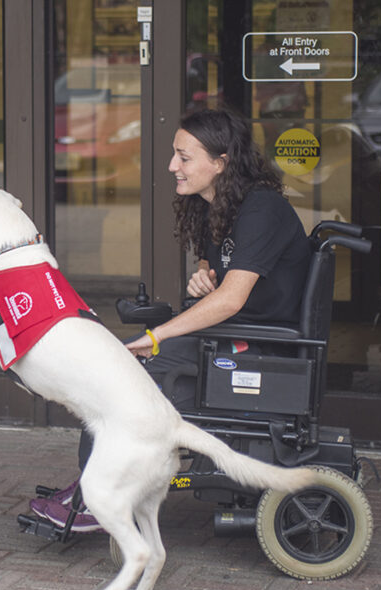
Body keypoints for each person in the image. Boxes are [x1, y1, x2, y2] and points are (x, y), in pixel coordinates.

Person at [29, 107, 312, 531]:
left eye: (184, 157)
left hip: (258, 342)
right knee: (119, 372)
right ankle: (93, 488)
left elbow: (232, 300)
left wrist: (157, 335)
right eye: (174, 155)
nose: (172, 166)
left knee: (122, 380)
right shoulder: (216, 203)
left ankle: (97, 498)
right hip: (233, 332)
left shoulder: (261, 209)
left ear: (220, 163)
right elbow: (217, 260)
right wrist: (204, 271)